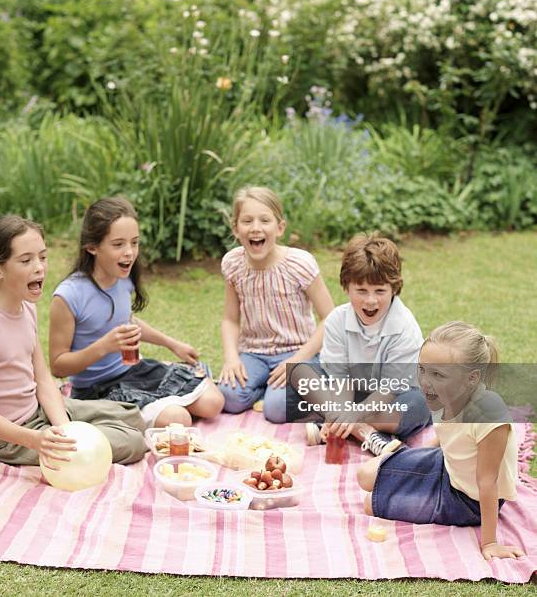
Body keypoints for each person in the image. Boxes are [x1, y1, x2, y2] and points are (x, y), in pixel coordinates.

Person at [0, 215, 147, 470]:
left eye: (42, 257)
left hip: (41, 410)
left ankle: (78, 431)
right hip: (10, 438)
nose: (39, 268)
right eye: (26, 260)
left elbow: (43, 378)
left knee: (132, 417)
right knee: (132, 443)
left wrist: (63, 429)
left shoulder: (26, 307)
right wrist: (36, 440)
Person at [49, 196, 224, 428]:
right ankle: (155, 410)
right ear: (92, 247)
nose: (130, 252)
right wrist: (105, 346)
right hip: (97, 389)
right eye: (118, 244)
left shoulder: (122, 278)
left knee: (214, 402)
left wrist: (172, 344)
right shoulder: (69, 296)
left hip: (135, 371)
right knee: (178, 419)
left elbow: (127, 320)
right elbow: (58, 365)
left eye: (134, 242)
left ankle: (157, 405)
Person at [357, 321, 525, 561]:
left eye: (437, 374)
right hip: (445, 465)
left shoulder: (488, 415)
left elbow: (488, 481)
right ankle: (398, 456)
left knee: (369, 504)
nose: (425, 381)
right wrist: (416, 458)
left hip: (468, 499)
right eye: (423, 370)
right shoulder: (442, 393)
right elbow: (449, 432)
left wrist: (490, 542)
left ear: (472, 378)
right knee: (364, 475)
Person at [304, 233, 431, 454]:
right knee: (302, 373)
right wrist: (348, 412)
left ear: (394, 289)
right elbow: (340, 379)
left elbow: (390, 389)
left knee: (418, 406)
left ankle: (334, 424)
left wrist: (349, 414)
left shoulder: (404, 326)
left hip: (391, 397)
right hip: (353, 396)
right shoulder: (336, 320)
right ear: (346, 287)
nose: (370, 300)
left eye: (380, 291)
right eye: (361, 291)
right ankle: (365, 432)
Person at [219, 186, 335, 423]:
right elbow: (230, 319)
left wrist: (297, 360)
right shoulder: (233, 264)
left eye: (265, 220)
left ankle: (316, 384)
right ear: (235, 228)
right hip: (254, 353)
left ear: (280, 227)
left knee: (276, 410)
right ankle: (265, 386)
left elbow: (330, 317)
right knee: (228, 398)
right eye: (247, 221)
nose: (255, 228)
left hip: (299, 352)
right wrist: (232, 358)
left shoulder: (299, 264)